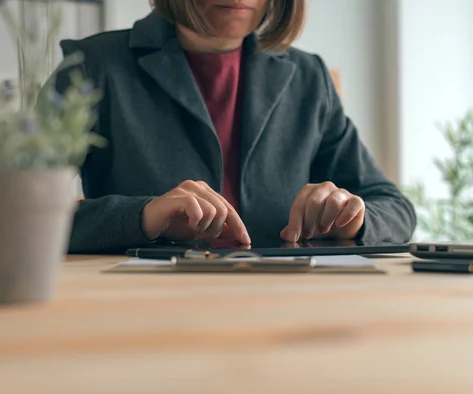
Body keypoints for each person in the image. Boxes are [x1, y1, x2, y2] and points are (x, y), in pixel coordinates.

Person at [43, 0, 416, 253]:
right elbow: (14, 217)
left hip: (286, 312)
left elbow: (396, 209)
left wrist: (353, 217)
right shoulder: (90, 67)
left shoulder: (308, 77)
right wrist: (143, 216)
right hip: (146, 311)